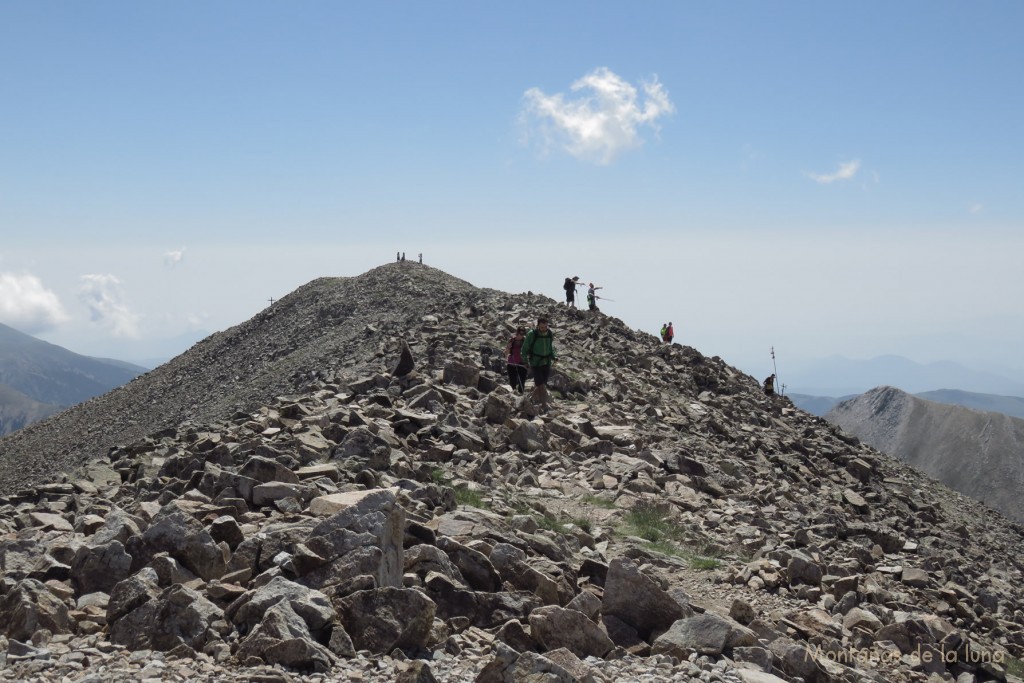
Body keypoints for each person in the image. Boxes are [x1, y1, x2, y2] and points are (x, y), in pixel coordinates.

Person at [523, 316, 556, 406]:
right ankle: (544, 405)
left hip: (546, 362)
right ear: (538, 326)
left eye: (546, 327)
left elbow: (550, 347)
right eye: (542, 327)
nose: (544, 329)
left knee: (541, 384)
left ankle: (530, 398)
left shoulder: (549, 333)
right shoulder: (531, 334)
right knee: (541, 385)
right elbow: (525, 348)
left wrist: (554, 357)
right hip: (535, 362)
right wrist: (525, 361)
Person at [504, 326, 528, 393]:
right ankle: (513, 396)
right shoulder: (512, 340)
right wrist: (508, 348)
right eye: (520, 334)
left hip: (522, 364)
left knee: (522, 382)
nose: (522, 336)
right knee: (512, 382)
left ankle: (521, 396)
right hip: (512, 363)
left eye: (523, 334)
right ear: (517, 333)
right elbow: (506, 353)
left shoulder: (525, 341)